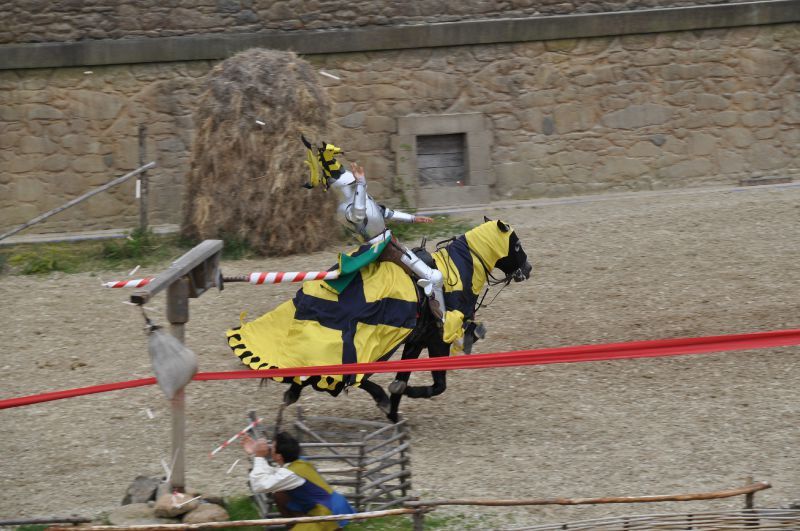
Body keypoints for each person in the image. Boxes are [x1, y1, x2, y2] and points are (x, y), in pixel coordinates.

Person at [302, 136, 447, 321]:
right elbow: (360, 213)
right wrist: (361, 184)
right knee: (435, 277)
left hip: (387, 243)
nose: (356, 185)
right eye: (353, 184)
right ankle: (442, 321)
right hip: (384, 248)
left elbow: (384, 213)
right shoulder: (347, 209)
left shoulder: (360, 200)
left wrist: (413, 219)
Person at [242, 431, 354, 530]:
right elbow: (274, 474)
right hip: (334, 505)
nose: (270, 448)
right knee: (280, 495)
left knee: (280, 494)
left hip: (326, 514)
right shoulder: (299, 462)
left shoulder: (290, 474)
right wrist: (255, 454)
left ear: (279, 456)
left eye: (273, 447)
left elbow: (258, 486)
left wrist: (258, 456)